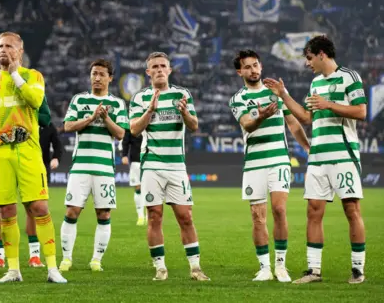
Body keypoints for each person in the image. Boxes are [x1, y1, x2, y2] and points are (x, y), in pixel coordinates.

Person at [264, 36, 368, 284]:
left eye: (309, 58)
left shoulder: (349, 77)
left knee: (351, 210)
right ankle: (314, 271)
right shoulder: (315, 83)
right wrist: (284, 95)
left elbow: (362, 111)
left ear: (322, 54)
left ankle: (357, 270)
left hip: (343, 153)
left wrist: (329, 104)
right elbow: (307, 118)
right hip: (318, 156)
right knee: (313, 211)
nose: (307, 64)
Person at [0, 31, 67, 283]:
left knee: (40, 207)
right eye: (0, 45)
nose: (3, 49)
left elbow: (35, 101)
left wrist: (12, 74)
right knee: (6, 210)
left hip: (29, 151)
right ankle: (13, 270)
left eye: (9, 46)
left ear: (20, 51)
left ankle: (52, 268)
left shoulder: (33, 76)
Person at [229, 50, 310, 282]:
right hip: (254, 162)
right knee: (257, 216)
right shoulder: (238, 98)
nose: (253, 70)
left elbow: (293, 123)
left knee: (280, 210)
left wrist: (307, 148)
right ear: (240, 72)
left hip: (278, 159)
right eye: (247, 67)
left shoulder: (276, 93)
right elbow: (248, 124)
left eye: (256, 65)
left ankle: (281, 265)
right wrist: (262, 116)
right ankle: (264, 267)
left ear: (261, 67)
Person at [129, 52, 209, 282]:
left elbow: (194, 126)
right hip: (151, 165)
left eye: (163, 66)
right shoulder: (140, 97)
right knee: (154, 216)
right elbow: (133, 129)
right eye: (154, 66)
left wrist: (184, 112)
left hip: (176, 166)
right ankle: (160, 268)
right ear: (148, 72)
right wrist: (150, 110)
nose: (159, 69)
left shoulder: (182, 94)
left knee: (185, 217)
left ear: (170, 70)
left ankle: (195, 268)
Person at [60, 59, 128, 272]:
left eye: (101, 74)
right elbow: (68, 126)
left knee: (104, 214)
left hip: (105, 168)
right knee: (72, 212)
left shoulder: (117, 104)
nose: (97, 78)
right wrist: (90, 117)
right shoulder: (79, 100)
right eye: (94, 73)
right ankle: (66, 258)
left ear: (110, 78)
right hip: (80, 166)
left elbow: (120, 134)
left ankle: (96, 259)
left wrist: (105, 118)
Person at [0, 96, 53, 269]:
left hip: (27, 153)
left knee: (33, 207)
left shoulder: (32, 88)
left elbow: (46, 118)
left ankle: (35, 255)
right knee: (0, 208)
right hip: (2, 153)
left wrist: (23, 116)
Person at [121, 129, 145, 225]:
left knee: (151, 189)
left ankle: (149, 215)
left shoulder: (150, 120)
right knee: (138, 188)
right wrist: (124, 155)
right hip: (136, 161)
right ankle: (140, 216)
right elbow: (125, 141)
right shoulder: (131, 124)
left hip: (150, 160)